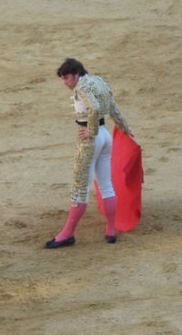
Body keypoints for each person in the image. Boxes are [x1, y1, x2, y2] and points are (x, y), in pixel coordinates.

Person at [45, 58, 133, 249]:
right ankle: (111, 230)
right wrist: (125, 128)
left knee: (80, 188)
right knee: (106, 185)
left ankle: (67, 234)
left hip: (91, 140)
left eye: (67, 78)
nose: (65, 83)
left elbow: (93, 108)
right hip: (106, 137)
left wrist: (91, 131)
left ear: (76, 74)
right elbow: (112, 107)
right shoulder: (99, 81)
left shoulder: (82, 88)